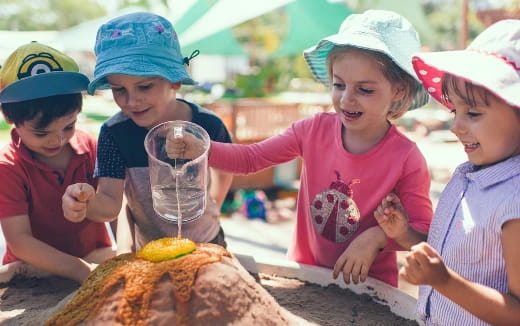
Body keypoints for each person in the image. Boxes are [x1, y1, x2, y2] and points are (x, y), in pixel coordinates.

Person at [167, 10, 433, 287]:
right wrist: (201, 149)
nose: (346, 99)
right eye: (338, 84)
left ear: (399, 91)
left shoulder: (407, 158)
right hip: (304, 275)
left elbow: (423, 234)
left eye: (365, 90)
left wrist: (378, 236)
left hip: (370, 286)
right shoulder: (312, 130)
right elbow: (250, 158)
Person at [374, 19, 520, 325]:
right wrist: (405, 234)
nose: (456, 125)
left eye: (474, 113)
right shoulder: (468, 175)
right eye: (455, 110)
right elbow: (456, 256)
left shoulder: (514, 201)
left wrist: (444, 282)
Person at [61, 12, 233, 253]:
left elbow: (226, 169)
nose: (132, 101)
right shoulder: (114, 133)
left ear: (175, 81)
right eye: (119, 89)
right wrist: (84, 204)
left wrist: (215, 201)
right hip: (151, 251)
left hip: (207, 242)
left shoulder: (209, 125)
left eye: (144, 86)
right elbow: (110, 204)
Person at [0, 42, 114, 283]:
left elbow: (113, 206)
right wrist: (80, 271)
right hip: (32, 272)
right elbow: (19, 240)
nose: (58, 139)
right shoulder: (8, 166)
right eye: (41, 133)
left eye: (69, 126)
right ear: (10, 118)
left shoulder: (91, 147)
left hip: (92, 257)